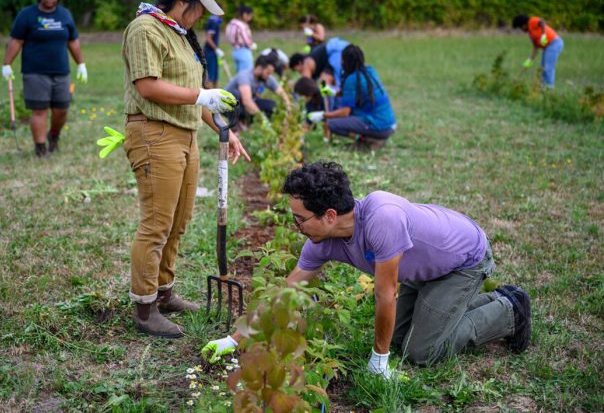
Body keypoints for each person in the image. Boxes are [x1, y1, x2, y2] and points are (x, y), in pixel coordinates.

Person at [203, 161, 532, 378]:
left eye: (300, 219)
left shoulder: (381, 218)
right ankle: (465, 307)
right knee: (401, 341)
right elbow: (285, 294)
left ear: (329, 215)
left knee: (422, 352)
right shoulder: (320, 243)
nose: (296, 226)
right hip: (421, 270)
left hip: (463, 259)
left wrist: (379, 359)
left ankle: (510, 308)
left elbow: (385, 295)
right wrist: (234, 340)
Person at [122, 0, 250, 339]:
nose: (202, 17)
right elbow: (148, 86)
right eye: (201, 8)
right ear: (183, 3)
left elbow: (195, 98)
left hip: (185, 135)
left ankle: (164, 293)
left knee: (178, 222)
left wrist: (223, 128)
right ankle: (144, 308)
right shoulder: (145, 29)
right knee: (156, 225)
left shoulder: (178, 33)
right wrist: (201, 95)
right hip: (154, 134)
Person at [2, 0, 87, 157]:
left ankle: (54, 135)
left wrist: (81, 64)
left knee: (62, 109)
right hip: (35, 72)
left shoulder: (64, 15)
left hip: (61, 71)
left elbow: (73, 41)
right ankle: (40, 148)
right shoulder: (27, 15)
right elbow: (16, 40)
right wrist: (7, 64)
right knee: (39, 110)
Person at [305, 45, 396, 149]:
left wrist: (323, 115)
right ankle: (373, 137)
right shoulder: (370, 71)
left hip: (379, 126)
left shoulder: (351, 80)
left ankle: (367, 141)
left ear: (345, 61)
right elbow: (353, 93)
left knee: (332, 124)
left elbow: (345, 112)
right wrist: (333, 92)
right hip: (390, 124)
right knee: (354, 113)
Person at [223, 54, 291, 124]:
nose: (269, 76)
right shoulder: (245, 77)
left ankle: (248, 124)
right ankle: (235, 126)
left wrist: (288, 109)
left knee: (272, 107)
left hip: (245, 104)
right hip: (228, 105)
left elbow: (281, 93)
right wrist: (263, 120)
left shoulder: (266, 78)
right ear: (259, 68)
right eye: (268, 73)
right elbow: (247, 102)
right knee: (236, 99)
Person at [512, 14, 564, 88]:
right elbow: (536, 48)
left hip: (554, 43)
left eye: (521, 27)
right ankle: (542, 88)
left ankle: (549, 88)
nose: (521, 30)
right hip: (547, 47)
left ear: (523, 24)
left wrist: (543, 35)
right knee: (542, 68)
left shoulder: (531, 21)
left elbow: (541, 21)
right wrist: (529, 60)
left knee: (548, 68)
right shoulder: (531, 33)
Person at [225, 5, 255, 73]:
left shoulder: (232, 23)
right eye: (250, 15)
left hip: (235, 51)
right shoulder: (241, 25)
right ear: (245, 15)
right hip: (244, 52)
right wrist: (252, 45)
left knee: (239, 75)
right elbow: (247, 41)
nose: (251, 18)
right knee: (246, 75)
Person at [203, 13, 224, 87]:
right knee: (211, 76)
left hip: (213, 52)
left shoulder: (213, 21)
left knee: (215, 76)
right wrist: (216, 49)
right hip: (210, 52)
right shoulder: (213, 22)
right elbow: (208, 38)